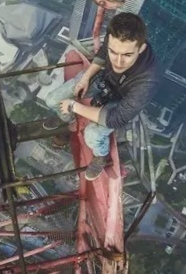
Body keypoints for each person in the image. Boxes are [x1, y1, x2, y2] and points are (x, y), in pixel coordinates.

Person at [44, 12, 161, 181]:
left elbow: (116, 119)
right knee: (52, 100)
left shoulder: (148, 81)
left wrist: (74, 106)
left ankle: (101, 155)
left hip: (121, 99)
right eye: (114, 52)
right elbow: (103, 54)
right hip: (105, 79)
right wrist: (86, 78)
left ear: (141, 48)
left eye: (127, 55)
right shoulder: (115, 38)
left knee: (92, 135)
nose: (118, 62)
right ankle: (67, 118)